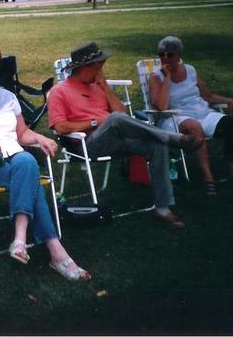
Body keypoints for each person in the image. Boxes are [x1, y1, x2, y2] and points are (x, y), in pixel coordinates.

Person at [0, 45, 91, 281]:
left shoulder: (9, 98)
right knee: (29, 166)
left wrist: (40, 137)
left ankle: (25, 241)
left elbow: (22, 134)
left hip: (15, 160)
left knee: (25, 161)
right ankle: (51, 250)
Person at [47, 42, 204, 229]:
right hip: (87, 144)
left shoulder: (98, 86)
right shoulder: (59, 91)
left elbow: (122, 114)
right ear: (84, 68)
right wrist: (96, 122)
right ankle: (175, 139)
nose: (101, 72)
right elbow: (60, 127)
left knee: (156, 144)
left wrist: (105, 87)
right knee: (114, 120)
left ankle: (163, 208)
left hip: (116, 139)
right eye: (98, 67)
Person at [149, 36, 233, 195]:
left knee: (230, 124)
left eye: (170, 54)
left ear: (179, 54)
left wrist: (229, 101)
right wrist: (167, 77)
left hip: (202, 113)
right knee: (194, 126)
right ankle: (208, 178)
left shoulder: (191, 70)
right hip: (173, 118)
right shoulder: (156, 77)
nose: (165, 58)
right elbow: (161, 106)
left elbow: (207, 96)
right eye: (161, 54)